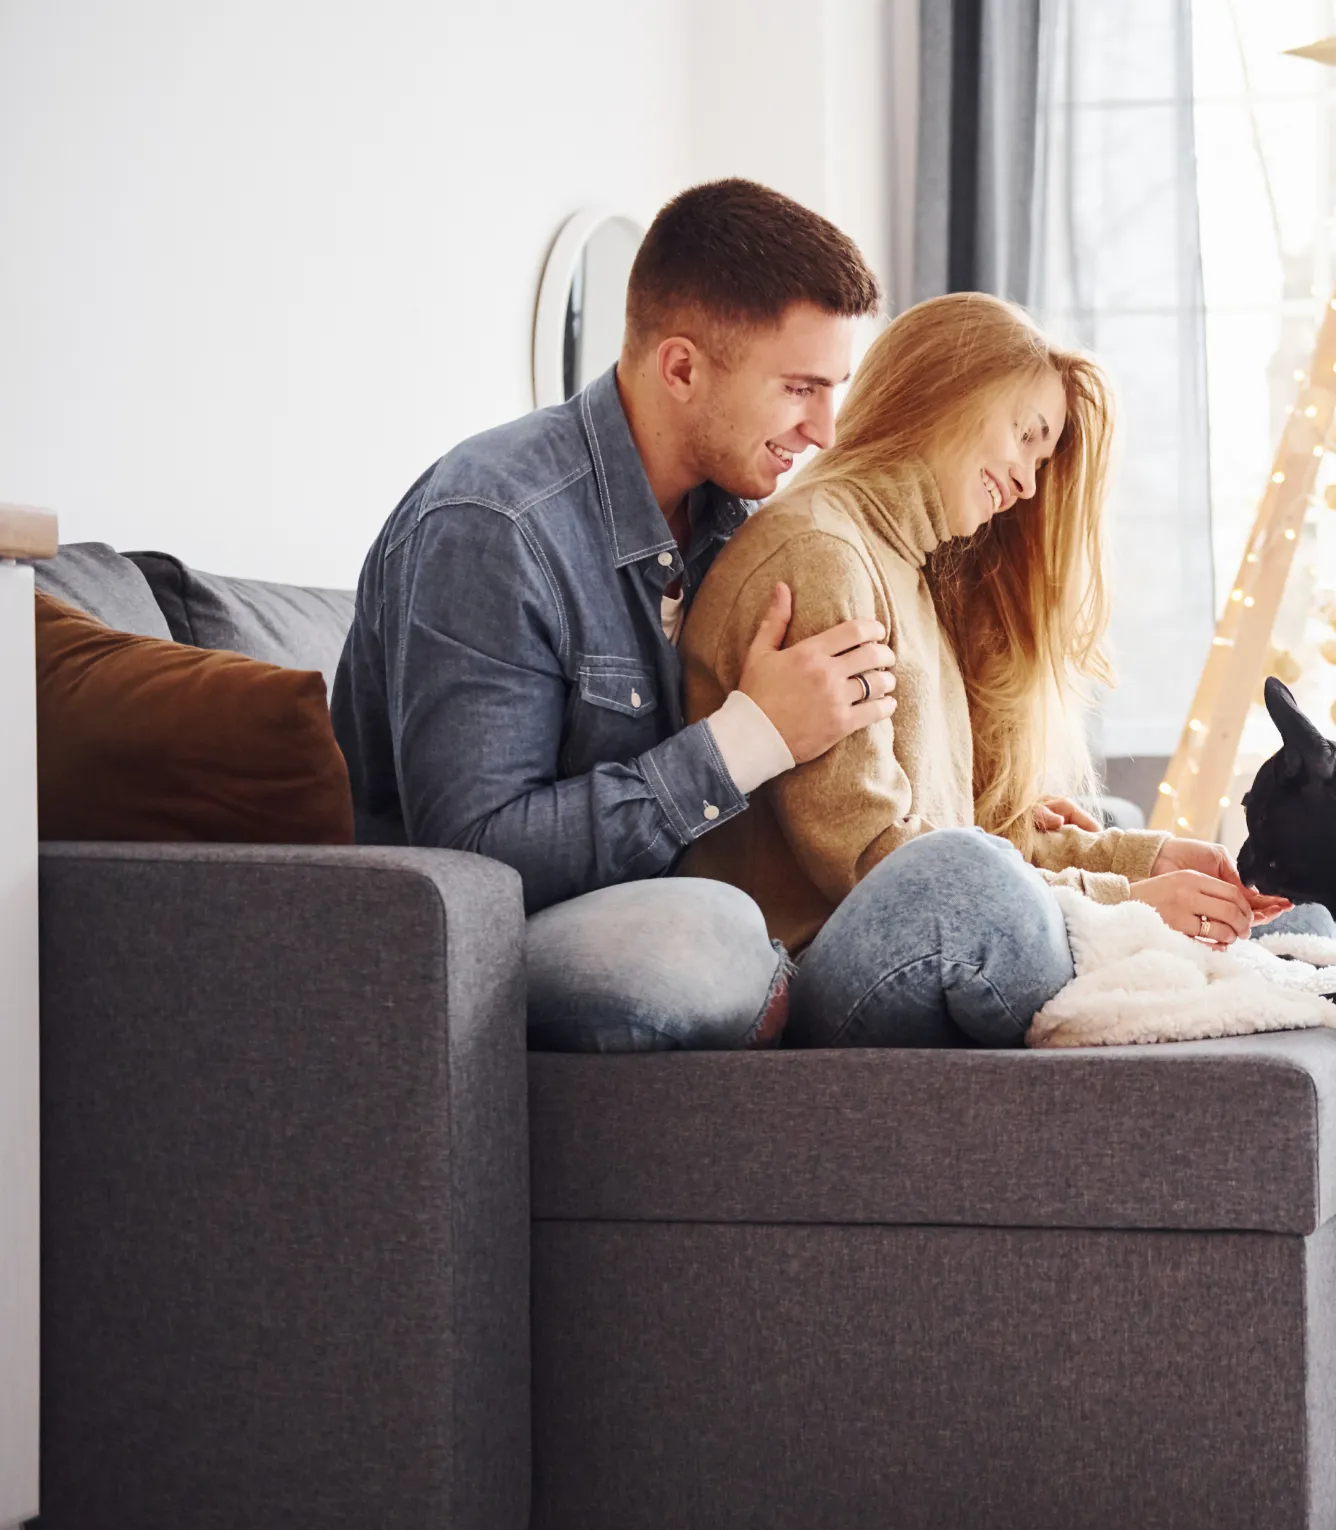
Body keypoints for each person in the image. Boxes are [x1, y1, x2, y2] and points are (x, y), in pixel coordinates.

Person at [333, 178, 898, 1050]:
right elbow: (475, 859)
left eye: (835, 389)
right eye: (798, 388)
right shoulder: (494, 523)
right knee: (704, 938)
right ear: (681, 367)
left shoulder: (737, 524)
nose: (824, 430)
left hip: (659, 905)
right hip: (470, 941)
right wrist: (749, 738)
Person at [677, 292, 1286, 1048]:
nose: (1029, 484)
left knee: (1293, 906)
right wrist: (1124, 903)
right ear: (947, 390)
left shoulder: (905, 570)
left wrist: (1144, 862)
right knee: (967, 881)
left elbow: (957, 828)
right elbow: (879, 861)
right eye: (1027, 436)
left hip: (910, 924)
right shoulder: (822, 556)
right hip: (809, 969)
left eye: (1042, 458)